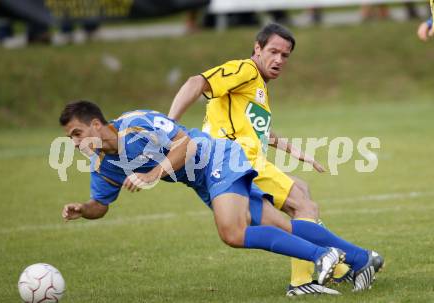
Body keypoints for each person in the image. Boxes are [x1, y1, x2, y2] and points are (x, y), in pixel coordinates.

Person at [59, 101, 382, 294]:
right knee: (280, 226)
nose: (74, 142)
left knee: (232, 232)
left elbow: (187, 144)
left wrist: (152, 173)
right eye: (69, 137)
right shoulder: (102, 163)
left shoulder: (135, 124)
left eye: (77, 133)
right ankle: (361, 259)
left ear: (97, 125)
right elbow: (101, 205)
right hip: (204, 180)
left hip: (216, 158)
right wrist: (83, 209)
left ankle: (322, 256)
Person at [167, 23, 383, 295]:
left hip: (240, 164)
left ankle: (337, 267)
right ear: (257, 49)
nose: (279, 59)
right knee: (301, 202)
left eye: (285, 56)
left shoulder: (258, 86)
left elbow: (256, 128)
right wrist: (169, 125)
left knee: (296, 203)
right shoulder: (245, 70)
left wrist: (291, 149)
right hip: (237, 163)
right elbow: (196, 82)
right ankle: (327, 272)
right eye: (273, 51)